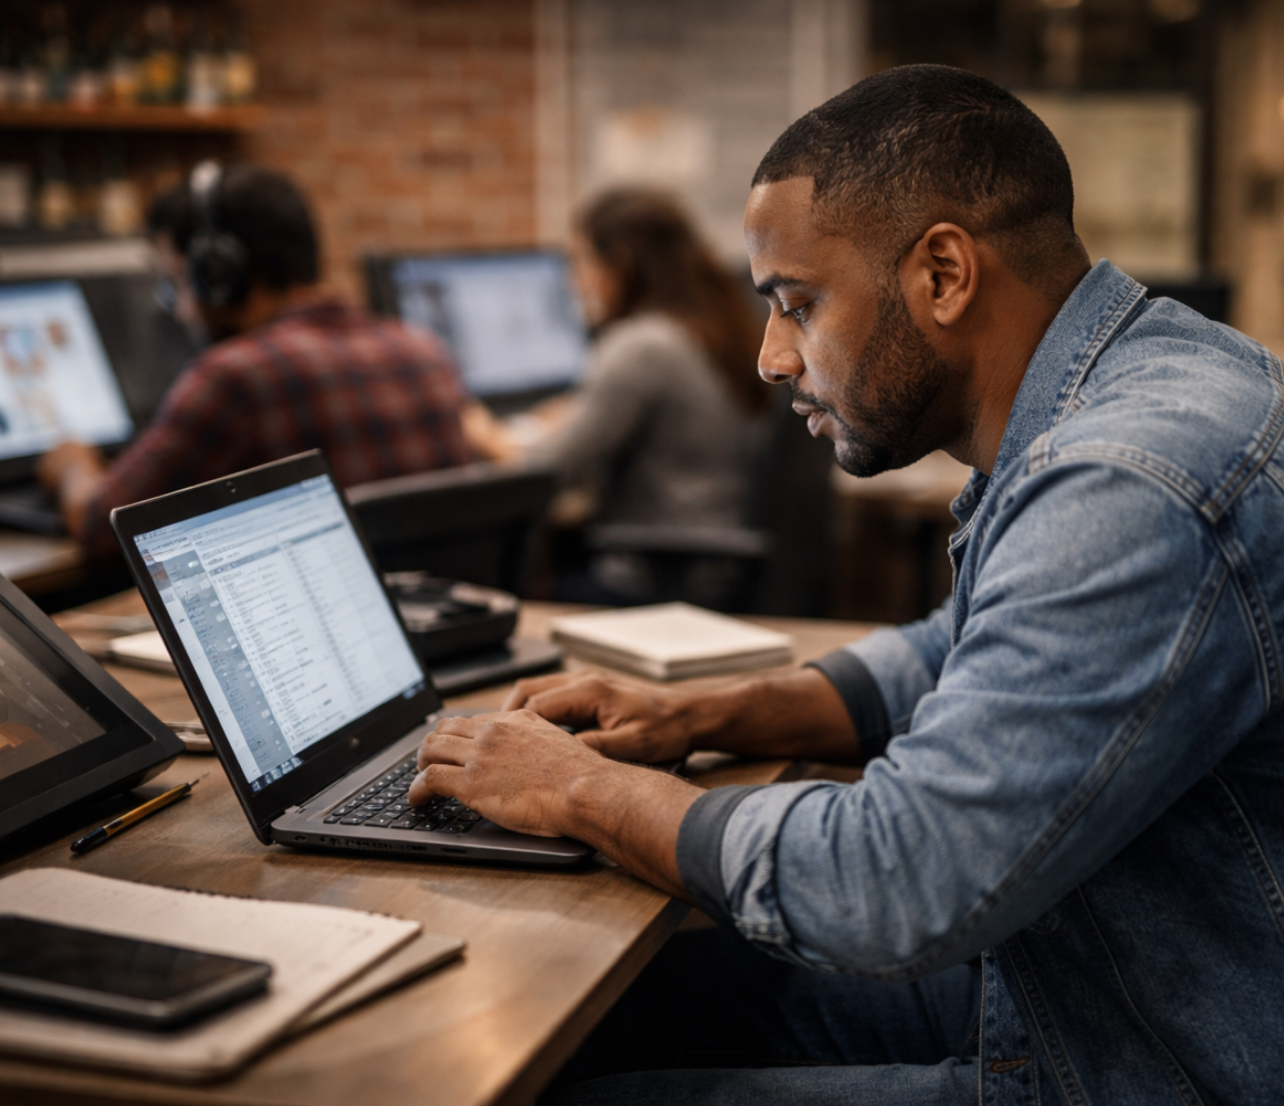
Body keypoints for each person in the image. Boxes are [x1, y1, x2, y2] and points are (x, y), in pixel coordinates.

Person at [403, 65, 1284, 1105]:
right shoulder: (1160, 374)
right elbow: (962, 643)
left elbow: (892, 878)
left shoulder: (1126, 486)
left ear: (944, 274)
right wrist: (708, 709)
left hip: (1144, 1063)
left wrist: (578, 786)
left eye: (797, 303)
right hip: (1093, 978)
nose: (774, 356)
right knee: (593, 1011)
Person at [39, 162, 477, 561]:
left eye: (177, 283)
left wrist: (73, 462)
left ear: (219, 274)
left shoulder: (236, 376)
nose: (183, 311)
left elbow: (101, 528)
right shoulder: (424, 348)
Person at [485, 189, 771, 603]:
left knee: (512, 594)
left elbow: (542, 473)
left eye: (580, 260)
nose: (572, 280)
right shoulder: (714, 324)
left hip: (656, 578)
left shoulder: (641, 346)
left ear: (619, 263)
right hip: (718, 558)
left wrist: (481, 434)